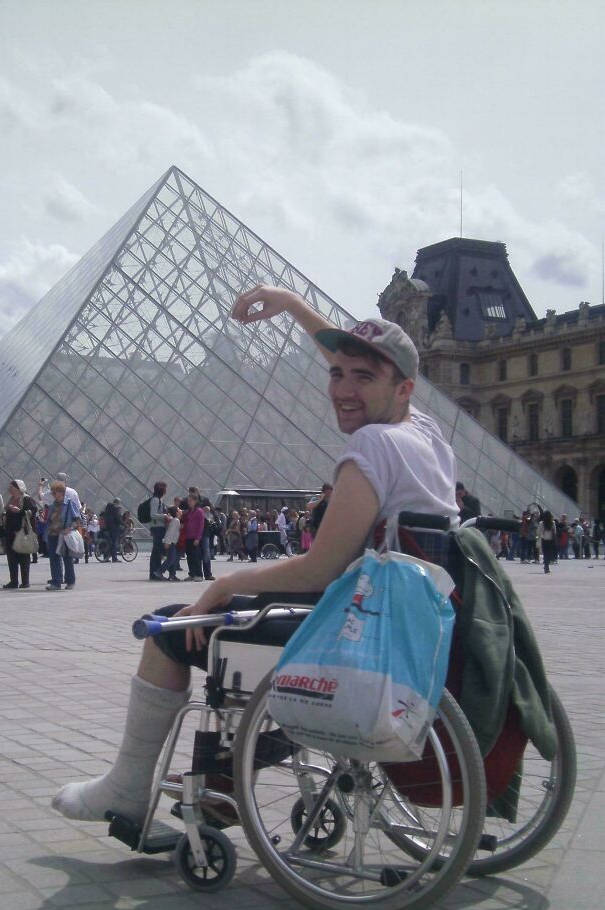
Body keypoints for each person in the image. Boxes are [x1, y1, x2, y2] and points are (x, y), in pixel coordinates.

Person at [52, 283, 459, 828]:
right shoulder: (427, 436)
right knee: (232, 625)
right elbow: (357, 360)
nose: (343, 389)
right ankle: (222, 783)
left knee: (171, 628)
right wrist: (291, 305)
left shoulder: (373, 445)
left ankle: (130, 788)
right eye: (336, 373)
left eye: (362, 378)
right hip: (406, 624)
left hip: (353, 634)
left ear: (402, 387)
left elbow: (321, 568)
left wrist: (223, 585)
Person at [45, 481, 81, 590]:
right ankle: (56, 582)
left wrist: (70, 528)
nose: (53, 495)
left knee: (67, 558)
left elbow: (77, 519)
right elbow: (49, 520)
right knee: (54, 558)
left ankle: (70, 580)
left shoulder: (69, 504)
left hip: (65, 535)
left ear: (61, 492)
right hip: (53, 534)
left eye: (54, 492)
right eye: (52, 492)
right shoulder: (52, 506)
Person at [3, 480, 37, 589]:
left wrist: (20, 511)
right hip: (10, 532)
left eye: (11, 487)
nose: (9, 489)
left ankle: (25, 581)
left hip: (22, 532)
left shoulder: (26, 499)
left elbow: (33, 511)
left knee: (23, 556)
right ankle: (13, 581)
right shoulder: (10, 499)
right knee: (11, 557)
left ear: (18, 488)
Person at [148, 482, 168, 581]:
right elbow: (153, 515)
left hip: (158, 527)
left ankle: (154, 573)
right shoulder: (155, 500)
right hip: (158, 528)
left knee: (157, 551)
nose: (166, 490)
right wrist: (164, 516)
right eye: (165, 488)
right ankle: (155, 573)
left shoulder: (158, 499)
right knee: (157, 551)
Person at [183, 493, 205, 581]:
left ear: (195, 501)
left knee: (196, 556)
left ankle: (199, 574)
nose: (189, 502)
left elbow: (201, 526)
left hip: (195, 537)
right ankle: (192, 574)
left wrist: (198, 538)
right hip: (188, 537)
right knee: (189, 556)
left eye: (190, 501)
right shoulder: (189, 511)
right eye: (188, 501)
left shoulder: (199, 511)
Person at [162, 506, 181, 581]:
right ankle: (160, 571)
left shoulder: (174, 520)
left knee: (173, 559)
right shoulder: (176, 521)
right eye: (179, 510)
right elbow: (170, 532)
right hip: (171, 543)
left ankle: (172, 575)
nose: (181, 510)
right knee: (171, 559)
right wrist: (168, 542)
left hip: (172, 542)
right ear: (176, 513)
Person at [104, 498, 124, 563]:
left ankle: (106, 557)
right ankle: (114, 558)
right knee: (114, 543)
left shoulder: (108, 508)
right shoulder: (115, 509)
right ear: (117, 503)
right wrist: (125, 525)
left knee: (110, 542)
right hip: (114, 528)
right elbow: (118, 519)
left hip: (108, 527)